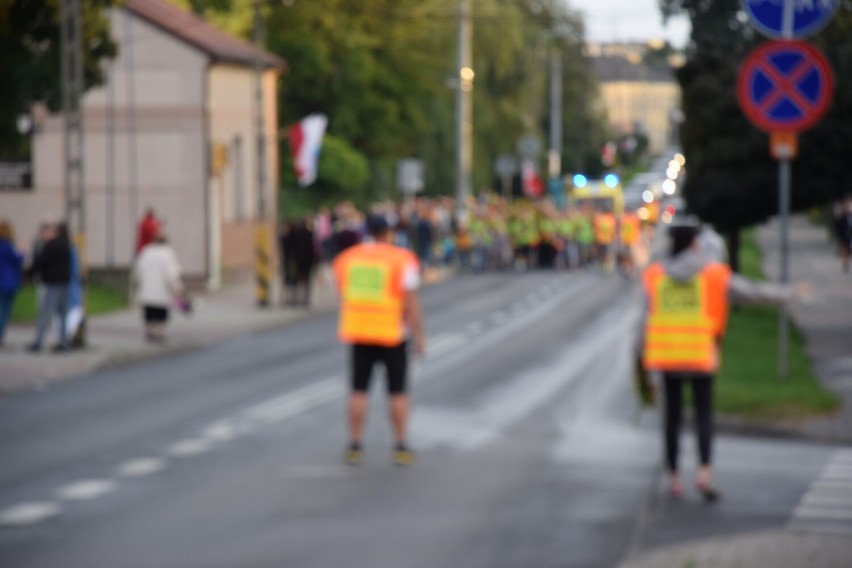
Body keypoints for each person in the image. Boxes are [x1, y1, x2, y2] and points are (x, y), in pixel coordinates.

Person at [640, 216, 808, 502]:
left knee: (673, 419)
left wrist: (641, 364)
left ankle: (675, 478)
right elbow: (752, 293)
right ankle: (705, 474)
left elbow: (642, 320)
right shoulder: (713, 274)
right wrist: (789, 293)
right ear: (695, 243)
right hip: (701, 354)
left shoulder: (656, 274)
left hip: (668, 357)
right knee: (704, 416)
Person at [332, 215, 425, 466]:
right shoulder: (401, 259)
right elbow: (410, 300)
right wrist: (419, 335)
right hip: (391, 334)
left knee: (358, 390)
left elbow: (342, 290)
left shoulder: (348, 258)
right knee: (397, 392)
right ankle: (401, 445)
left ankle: (355, 445)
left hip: (359, 332)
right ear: (389, 233)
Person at [27, 222, 72, 352]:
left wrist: (28, 274)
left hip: (52, 283)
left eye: (45, 232)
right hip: (64, 282)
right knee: (62, 313)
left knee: (46, 312)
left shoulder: (51, 246)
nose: (43, 235)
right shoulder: (65, 244)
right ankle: (63, 342)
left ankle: (39, 342)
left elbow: (40, 262)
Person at [134, 230, 183, 344]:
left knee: (149, 312)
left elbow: (138, 270)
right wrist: (177, 287)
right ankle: (159, 333)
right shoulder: (167, 253)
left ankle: (148, 332)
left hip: (147, 290)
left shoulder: (146, 252)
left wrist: (137, 285)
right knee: (161, 313)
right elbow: (171, 273)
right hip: (162, 291)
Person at [0, 220, 24, 348]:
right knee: (4, 311)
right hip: (8, 283)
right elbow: (18, 259)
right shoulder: (8, 246)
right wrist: (23, 251)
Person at [834, 199, 852, 273]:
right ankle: (846, 263)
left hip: (850, 236)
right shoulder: (841, 218)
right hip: (844, 237)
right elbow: (838, 228)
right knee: (845, 251)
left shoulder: (850, 217)